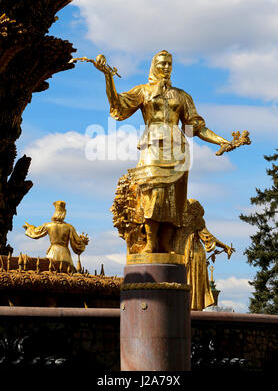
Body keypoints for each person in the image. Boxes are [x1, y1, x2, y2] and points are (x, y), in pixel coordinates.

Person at [94, 50, 243, 254]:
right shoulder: (143, 91)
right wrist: (108, 76)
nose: (166, 67)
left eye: (169, 64)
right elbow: (118, 107)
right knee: (152, 191)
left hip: (177, 147)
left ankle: (165, 243)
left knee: (174, 196)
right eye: (162, 63)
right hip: (153, 145)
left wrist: (221, 141)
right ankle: (150, 243)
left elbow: (194, 128)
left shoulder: (182, 96)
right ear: (154, 66)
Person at [184, 199, 234, 310]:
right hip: (183, 253)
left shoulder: (197, 221)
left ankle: (193, 306)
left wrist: (225, 246)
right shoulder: (178, 219)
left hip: (194, 253)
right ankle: (187, 305)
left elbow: (209, 238)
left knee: (192, 278)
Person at [23, 200, 88, 268]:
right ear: (64, 213)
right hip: (64, 253)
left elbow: (35, 232)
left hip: (52, 252)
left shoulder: (48, 225)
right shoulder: (69, 227)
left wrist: (29, 227)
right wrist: (83, 242)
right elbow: (77, 243)